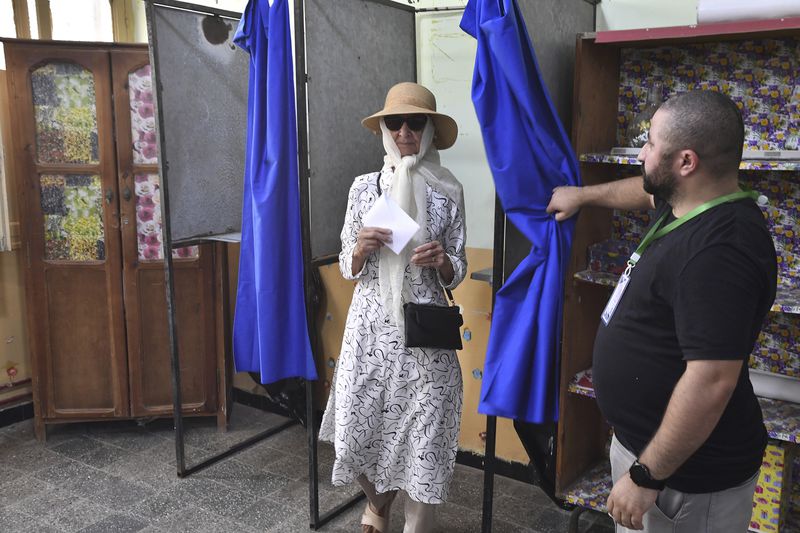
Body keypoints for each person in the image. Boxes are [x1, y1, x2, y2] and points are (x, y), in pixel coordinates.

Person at [546, 90, 777, 532]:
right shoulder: (687, 201)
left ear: (686, 162)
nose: (642, 152)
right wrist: (582, 195)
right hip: (646, 451)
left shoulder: (721, 251)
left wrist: (646, 475)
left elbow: (711, 381)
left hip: (683, 481)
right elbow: (644, 191)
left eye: (650, 143)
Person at [319, 82, 467, 533]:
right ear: (383, 129)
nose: (404, 131)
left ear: (431, 132)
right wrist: (361, 248)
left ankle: (414, 525)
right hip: (371, 328)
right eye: (394, 122)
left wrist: (444, 261)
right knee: (356, 429)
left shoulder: (449, 191)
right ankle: (378, 504)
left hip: (425, 334)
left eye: (415, 122)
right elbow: (347, 262)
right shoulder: (364, 189)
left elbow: (459, 265)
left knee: (427, 432)